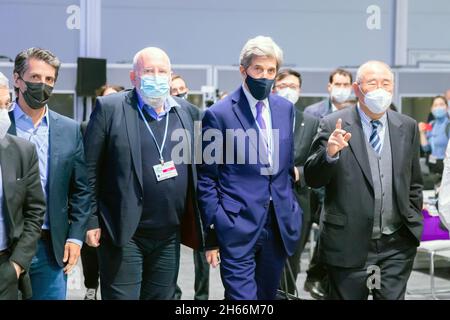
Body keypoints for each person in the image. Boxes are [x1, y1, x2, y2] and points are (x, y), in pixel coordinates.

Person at [84, 47, 204, 300]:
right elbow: (89, 170)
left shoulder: (187, 113)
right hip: (124, 232)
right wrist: (91, 220)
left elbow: (199, 171)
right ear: (133, 77)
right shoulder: (110, 108)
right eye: (149, 71)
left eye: (162, 72)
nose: (157, 77)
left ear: (171, 77)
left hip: (168, 234)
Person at [304, 60, 423, 300]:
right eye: (372, 83)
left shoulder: (406, 126)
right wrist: (329, 154)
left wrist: (412, 216)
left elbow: (414, 181)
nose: (380, 88)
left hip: (395, 244)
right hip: (348, 243)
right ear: (357, 89)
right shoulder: (332, 123)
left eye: (386, 83)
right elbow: (312, 178)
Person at [197, 36, 301, 300]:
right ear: (243, 70)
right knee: (242, 299)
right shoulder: (219, 114)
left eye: (270, 71)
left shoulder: (285, 109)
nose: (265, 76)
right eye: (258, 69)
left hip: (277, 223)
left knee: (267, 297)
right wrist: (218, 222)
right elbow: (207, 178)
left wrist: (291, 207)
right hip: (236, 223)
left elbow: (286, 167)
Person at [8, 48, 91, 300]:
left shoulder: (69, 129)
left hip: (50, 248)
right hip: (7, 247)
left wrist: (76, 238)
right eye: (35, 77)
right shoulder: (3, 124)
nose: (42, 85)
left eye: (49, 80)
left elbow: (81, 190)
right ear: (17, 79)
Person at [302, 68, 354, 299]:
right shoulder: (315, 113)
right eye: (338, 84)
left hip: (347, 189)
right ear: (329, 86)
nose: (342, 88)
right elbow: (309, 152)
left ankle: (324, 281)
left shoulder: (357, 112)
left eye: (346, 84)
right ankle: (314, 277)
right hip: (317, 188)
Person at [272, 69, 320, 296]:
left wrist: (298, 172)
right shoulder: (261, 117)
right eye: (284, 85)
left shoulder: (310, 122)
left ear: (300, 91)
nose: (288, 90)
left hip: (297, 202)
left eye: (294, 86)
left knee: (291, 262)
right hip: (265, 202)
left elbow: (317, 163)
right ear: (274, 88)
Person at [0, 72, 46, 300]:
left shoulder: (22, 151)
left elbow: (35, 211)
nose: (2, 113)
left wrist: (16, 265)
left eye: (4, 105)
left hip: (5, 267)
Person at [80, 84, 124, 300]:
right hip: (95, 200)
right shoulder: (86, 127)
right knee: (90, 249)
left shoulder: (129, 128)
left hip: (118, 205)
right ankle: (91, 285)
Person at [170, 74, 210, 301]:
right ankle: (173, 294)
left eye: (182, 89)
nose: (180, 93)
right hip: (173, 193)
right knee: (170, 250)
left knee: (202, 253)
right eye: (174, 90)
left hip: (195, 194)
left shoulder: (197, 115)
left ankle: (202, 296)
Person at [418, 96, 450, 177]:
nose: (438, 107)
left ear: (447, 108)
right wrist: (422, 133)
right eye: (435, 105)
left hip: (446, 166)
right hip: (433, 165)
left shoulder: (448, 125)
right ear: (431, 109)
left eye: (441, 104)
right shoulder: (431, 124)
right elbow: (426, 148)